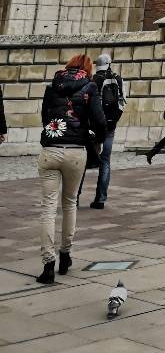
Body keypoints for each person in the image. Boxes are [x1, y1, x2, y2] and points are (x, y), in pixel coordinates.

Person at [36, 54, 106, 283]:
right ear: (86, 68)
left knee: (48, 207)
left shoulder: (52, 85)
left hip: (51, 149)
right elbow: (99, 120)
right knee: (69, 203)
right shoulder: (90, 86)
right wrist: (97, 138)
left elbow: (45, 116)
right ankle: (65, 255)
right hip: (76, 150)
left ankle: (48, 264)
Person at [83, 52, 125, 208]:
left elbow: (87, 105)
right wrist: (113, 120)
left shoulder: (93, 80)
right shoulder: (118, 78)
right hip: (110, 127)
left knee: (83, 160)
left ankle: (75, 197)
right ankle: (100, 199)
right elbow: (123, 101)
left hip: (93, 127)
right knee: (105, 161)